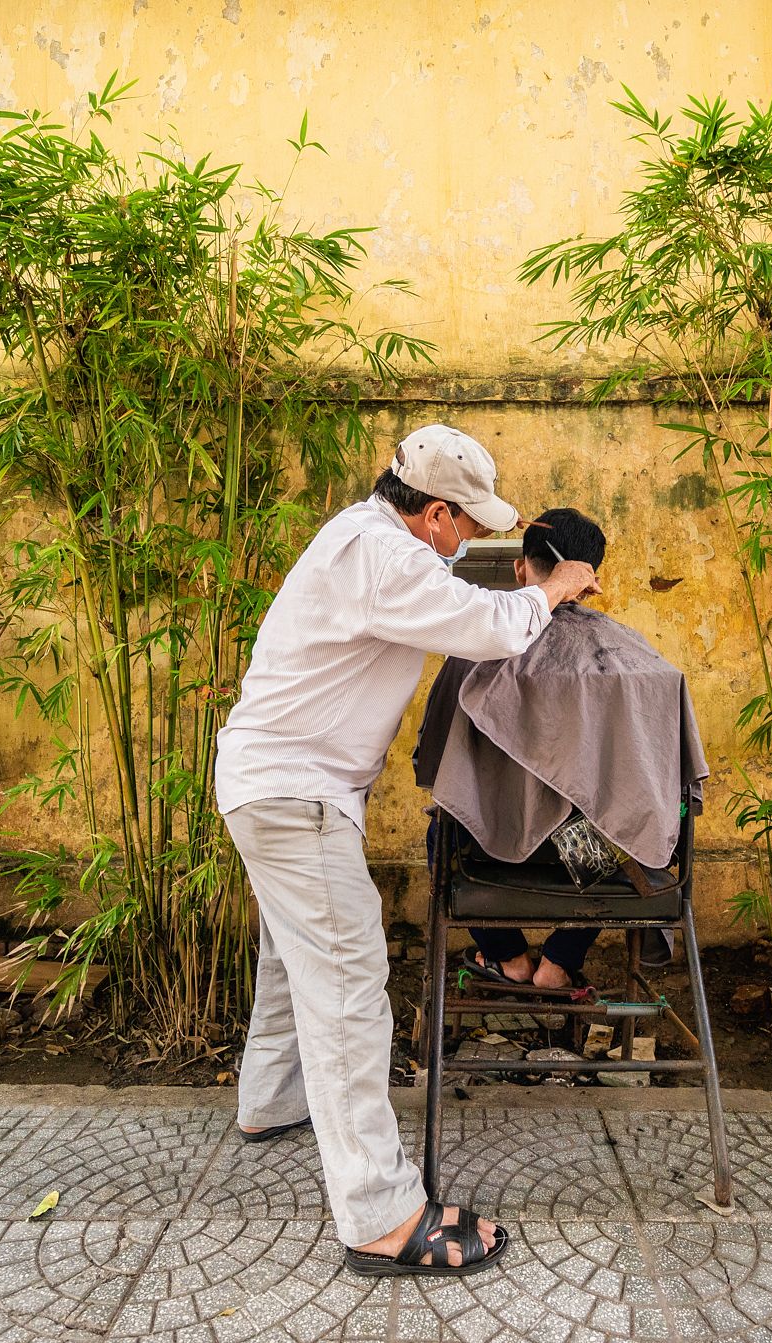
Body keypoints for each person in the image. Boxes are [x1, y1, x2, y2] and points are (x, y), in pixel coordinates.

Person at [213, 424, 599, 1278]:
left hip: (266, 782)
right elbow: (485, 625)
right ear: (432, 514)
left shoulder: (362, 534)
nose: (469, 541)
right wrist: (555, 587)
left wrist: (519, 585)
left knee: (293, 958)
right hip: (295, 792)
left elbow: (453, 590)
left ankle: (271, 1104)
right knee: (348, 984)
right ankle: (383, 1218)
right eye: (465, 526)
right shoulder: (387, 560)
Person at [412, 507, 707, 990]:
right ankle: (559, 963)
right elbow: (667, 784)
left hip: (489, 859)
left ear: (520, 568)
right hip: (597, 864)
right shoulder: (639, 665)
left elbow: (436, 762)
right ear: (591, 576)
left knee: (441, 830)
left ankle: (509, 960)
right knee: (614, 827)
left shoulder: (478, 649)